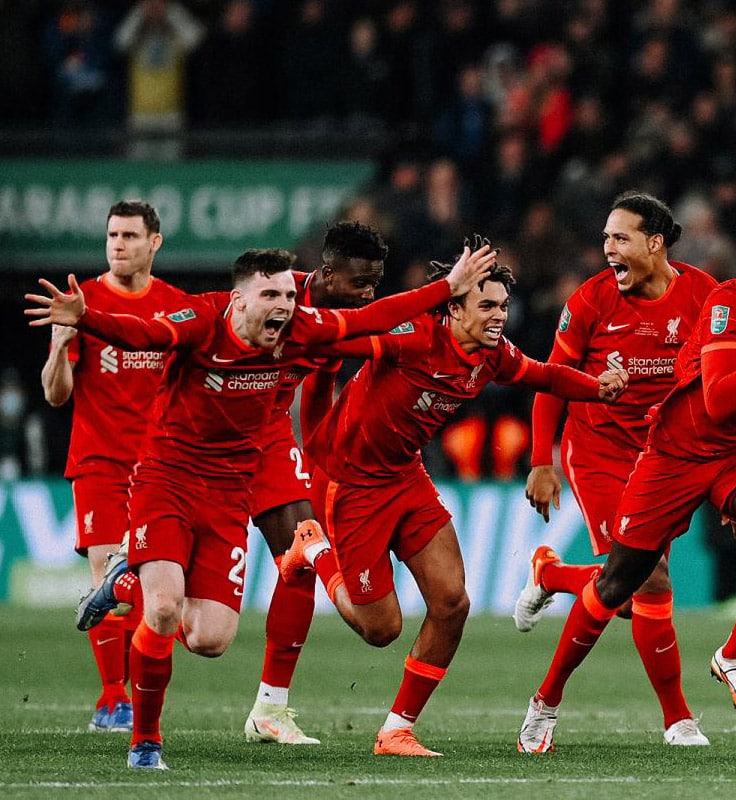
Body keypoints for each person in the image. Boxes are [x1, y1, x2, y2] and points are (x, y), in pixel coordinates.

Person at [27, 242, 496, 770]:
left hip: (248, 455)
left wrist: (446, 287)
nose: (367, 293)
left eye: (289, 297)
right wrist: (87, 318)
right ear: (243, 299)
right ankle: (144, 738)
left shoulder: (304, 325)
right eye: (360, 281)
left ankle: (262, 699)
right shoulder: (210, 317)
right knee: (165, 608)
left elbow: (367, 326)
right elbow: (146, 334)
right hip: (175, 471)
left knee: (220, 629)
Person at [279, 258, 629, 758]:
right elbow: (339, 338)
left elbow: (544, 375)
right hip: (351, 484)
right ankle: (313, 549)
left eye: (503, 306)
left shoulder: (492, 356)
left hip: (406, 477)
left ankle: (396, 731)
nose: (499, 315)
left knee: (452, 603)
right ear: (453, 308)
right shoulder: (412, 338)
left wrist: (598, 388)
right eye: (486, 305)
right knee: (382, 629)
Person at [517, 222, 736, 754]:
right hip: (675, 451)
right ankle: (546, 699)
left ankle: (732, 657)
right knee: (620, 587)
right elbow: (719, 400)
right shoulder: (728, 306)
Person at [515, 191, 718, 747]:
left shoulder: (705, 296)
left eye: (620, 238)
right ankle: (676, 719)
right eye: (605, 237)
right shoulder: (590, 301)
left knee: (629, 593)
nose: (608, 248)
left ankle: (552, 575)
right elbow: (551, 379)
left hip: (666, 458)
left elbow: (719, 381)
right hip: (599, 451)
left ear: (655, 244)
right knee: (646, 578)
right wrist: (541, 460)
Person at [39, 199, 187, 734]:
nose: (118, 245)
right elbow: (56, 395)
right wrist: (60, 347)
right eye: (112, 236)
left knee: (149, 587)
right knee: (108, 573)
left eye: (129, 235)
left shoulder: (175, 306)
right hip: (99, 460)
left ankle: (133, 691)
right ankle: (111, 699)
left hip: (161, 467)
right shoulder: (83, 302)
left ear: (154, 242)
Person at [242, 221, 387, 746]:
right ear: (326, 274)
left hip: (270, 438)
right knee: (199, 627)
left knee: (300, 555)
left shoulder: (339, 321)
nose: (368, 294)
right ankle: (129, 571)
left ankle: (269, 709)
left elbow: (321, 381)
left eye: (375, 283)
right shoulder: (275, 299)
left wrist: (317, 454)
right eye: (360, 282)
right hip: (212, 435)